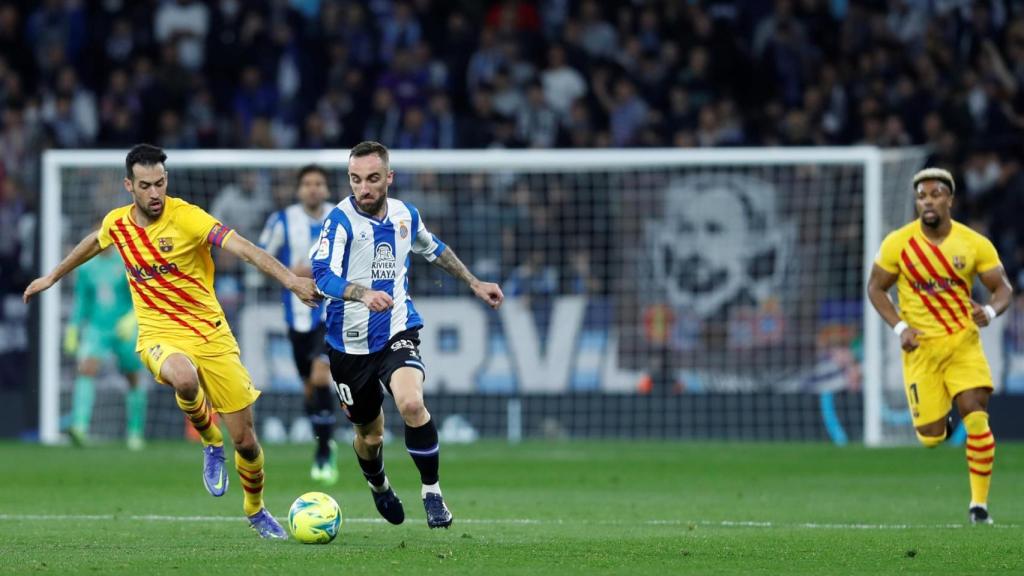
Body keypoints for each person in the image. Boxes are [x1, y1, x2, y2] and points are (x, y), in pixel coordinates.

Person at [24, 143, 320, 539]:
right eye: (145, 185)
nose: (154, 193)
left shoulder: (189, 218)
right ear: (129, 185)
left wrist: (291, 280)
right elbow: (95, 241)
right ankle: (210, 440)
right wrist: (52, 277)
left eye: (160, 183)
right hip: (159, 334)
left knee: (247, 443)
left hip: (211, 333)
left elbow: (245, 249)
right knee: (183, 378)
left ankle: (255, 508)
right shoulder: (119, 223)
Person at [311, 141, 504, 529]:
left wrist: (473, 282)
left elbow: (434, 249)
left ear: (389, 178)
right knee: (370, 436)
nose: (363, 188)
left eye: (372, 179)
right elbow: (322, 276)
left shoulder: (405, 215)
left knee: (412, 403)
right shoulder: (339, 221)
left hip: (398, 328)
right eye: (355, 179)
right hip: (348, 345)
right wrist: (362, 293)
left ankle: (432, 492)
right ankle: (379, 484)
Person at [867, 167, 1012, 525]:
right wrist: (900, 326)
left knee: (976, 413)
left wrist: (990, 312)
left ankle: (979, 506)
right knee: (931, 438)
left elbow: (1003, 288)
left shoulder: (973, 243)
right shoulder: (898, 243)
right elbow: (875, 287)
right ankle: (939, 414)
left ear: (950, 199)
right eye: (921, 196)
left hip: (963, 343)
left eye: (934, 195)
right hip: (921, 350)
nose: (927, 202)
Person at [258, 164, 338, 485]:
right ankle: (325, 437)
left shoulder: (341, 216)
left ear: (327, 189)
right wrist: (292, 273)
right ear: (298, 190)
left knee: (321, 377)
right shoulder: (281, 220)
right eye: (307, 183)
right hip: (296, 317)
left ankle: (324, 453)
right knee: (309, 387)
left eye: (319, 183)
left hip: (332, 312)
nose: (313, 188)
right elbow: (262, 258)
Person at [63, 247, 148, 450]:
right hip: (97, 328)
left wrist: (132, 318)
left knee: (132, 376)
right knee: (86, 368)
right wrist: (74, 326)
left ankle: (135, 431)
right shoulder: (86, 267)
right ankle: (80, 427)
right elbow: (82, 299)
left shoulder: (127, 263)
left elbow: (141, 295)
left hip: (123, 328)